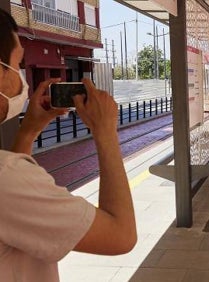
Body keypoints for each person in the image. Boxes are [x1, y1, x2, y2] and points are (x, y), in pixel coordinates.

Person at [0, 9, 137, 281]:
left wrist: (28, 133)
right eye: (16, 66)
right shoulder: (6, 176)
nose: (21, 79)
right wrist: (105, 131)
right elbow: (121, 235)